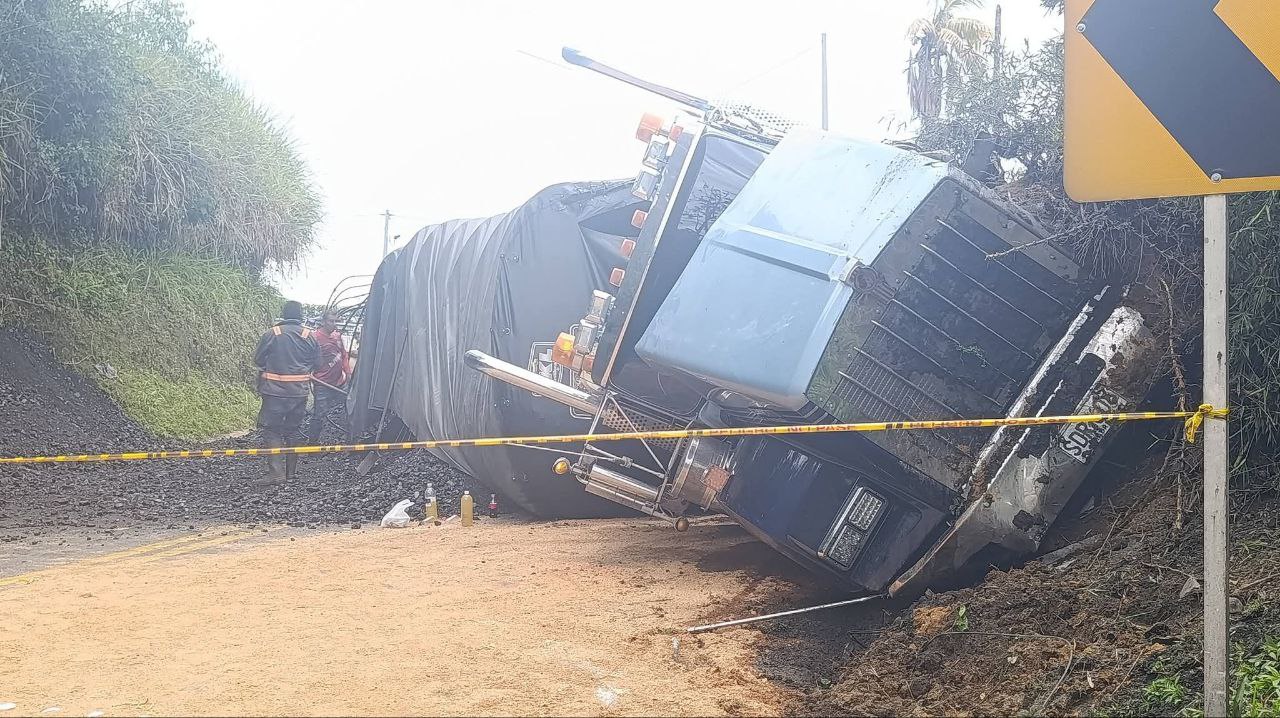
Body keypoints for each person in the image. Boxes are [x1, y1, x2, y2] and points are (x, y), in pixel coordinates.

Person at [252, 300, 319, 485]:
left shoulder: (273, 333)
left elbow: (258, 359)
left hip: (274, 392)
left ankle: (276, 473)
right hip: (299, 393)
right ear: (301, 316)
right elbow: (318, 364)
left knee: (272, 430)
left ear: (284, 314)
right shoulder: (310, 336)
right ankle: (291, 474)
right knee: (294, 431)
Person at [308, 310, 351, 442]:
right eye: (330, 321)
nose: (333, 324)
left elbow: (343, 355)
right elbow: (307, 358)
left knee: (350, 409)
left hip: (339, 382)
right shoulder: (314, 337)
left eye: (335, 321)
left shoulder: (337, 337)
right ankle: (312, 445)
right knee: (319, 415)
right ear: (323, 322)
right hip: (322, 383)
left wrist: (348, 373)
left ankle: (350, 441)